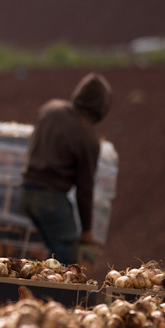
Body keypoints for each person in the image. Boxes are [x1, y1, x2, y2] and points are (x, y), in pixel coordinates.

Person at [20, 73, 112, 265]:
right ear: (101, 107)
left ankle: (36, 288)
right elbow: (84, 189)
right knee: (67, 255)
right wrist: (86, 229)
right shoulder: (88, 138)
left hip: (26, 191)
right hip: (51, 199)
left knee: (53, 252)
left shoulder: (50, 109)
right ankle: (45, 293)